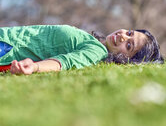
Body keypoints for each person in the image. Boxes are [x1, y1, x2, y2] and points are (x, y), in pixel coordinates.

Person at [0, 24, 164, 75]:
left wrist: (35, 67)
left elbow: (64, 62)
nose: (123, 36)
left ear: (127, 60)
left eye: (129, 45)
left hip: (5, 49)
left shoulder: (97, 52)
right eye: (129, 33)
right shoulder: (93, 42)